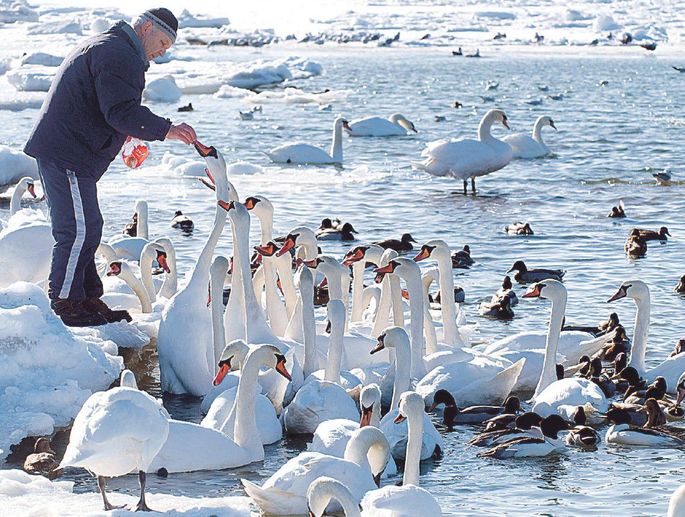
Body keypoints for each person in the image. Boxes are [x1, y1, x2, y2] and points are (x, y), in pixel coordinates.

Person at [24, 8, 196, 327]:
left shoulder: (112, 47)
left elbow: (105, 106)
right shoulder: (119, 53)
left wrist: (128, 130)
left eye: (168, 47)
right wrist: (165, 128)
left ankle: (86, 298)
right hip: (68, 151)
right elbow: (120, 111)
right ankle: (64, 302)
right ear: (145, 28)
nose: (162, 52)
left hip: (69, 148)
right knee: (76, 229)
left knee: (89, 225)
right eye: (162, 42)